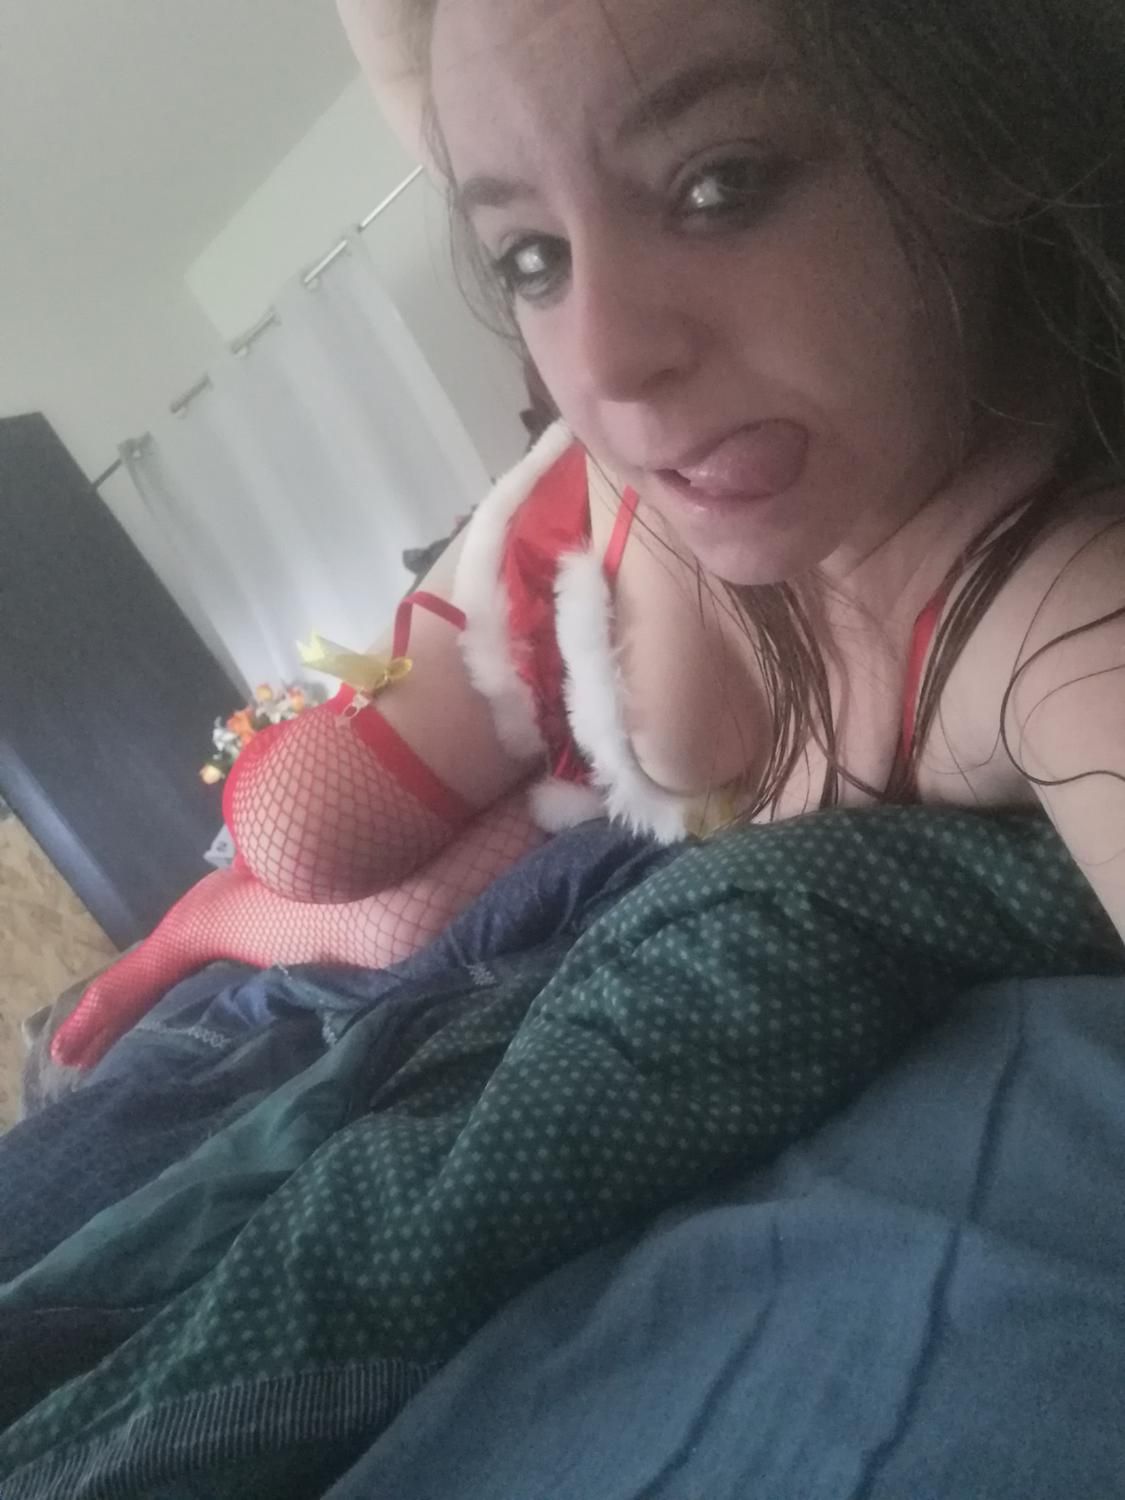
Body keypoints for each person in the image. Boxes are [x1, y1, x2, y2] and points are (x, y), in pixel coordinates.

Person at [55, 0, 1125, 1068]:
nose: (601, 363)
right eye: (531, 260)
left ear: (982, 113)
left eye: (719, 185)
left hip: (635, 685)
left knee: (399, 933)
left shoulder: (1063, 619)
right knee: (306, 830)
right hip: (568, 563)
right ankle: (195, 921)